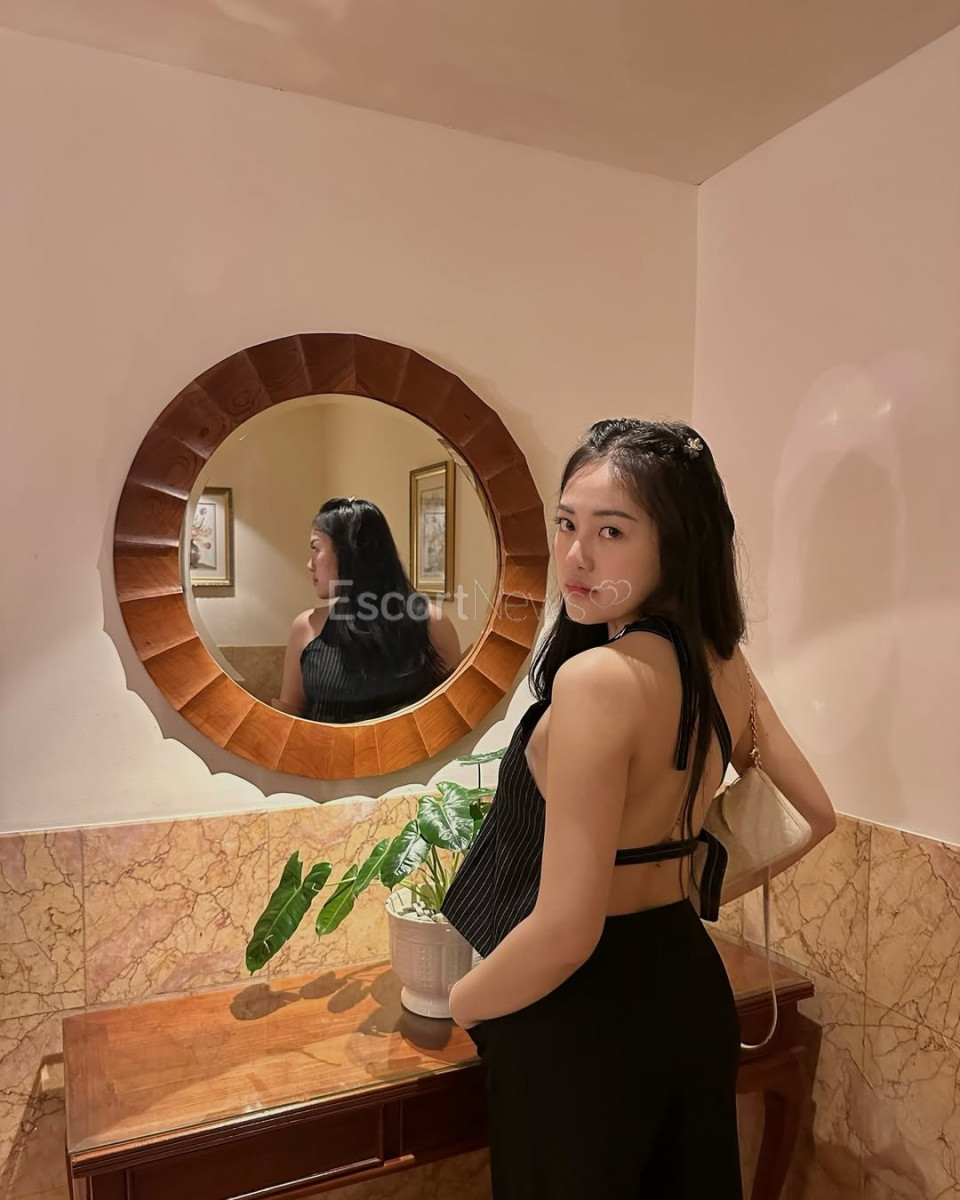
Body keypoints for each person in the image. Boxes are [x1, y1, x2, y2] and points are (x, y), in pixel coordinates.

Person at [440, 419, 836, 1199]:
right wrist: (688, 875)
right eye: (567, 524)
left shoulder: (597, 681)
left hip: (583, 1014)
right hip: (687, 983)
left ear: (676, 544)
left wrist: (466, 1004)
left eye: (611, 531)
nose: (576, 557)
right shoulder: (724, 665)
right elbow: (813, 812)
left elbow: (567, 931)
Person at [273, 497, 462, 723]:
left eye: (316, 548)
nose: (309, 564)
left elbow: (453, 715)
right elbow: (290, 722)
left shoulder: (431, 622)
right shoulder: (307, 628)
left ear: (348, 551)